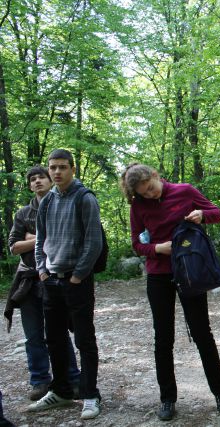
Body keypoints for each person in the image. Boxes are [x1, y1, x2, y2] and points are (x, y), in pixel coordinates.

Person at [120, 163, 220, 421]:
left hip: (190, 271)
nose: (150, 195)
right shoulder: (138, 206)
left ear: (156, 176)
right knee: (163, 338)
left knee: (202, 332)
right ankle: (167, 398)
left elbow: (217, 212)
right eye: (143, 193)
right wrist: (158, 249)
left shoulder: (185, 191)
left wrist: (202, 216)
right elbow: (136, 244)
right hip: (158, 275)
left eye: (150, 188)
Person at [30, 149, 103, 420]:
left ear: (73, 168)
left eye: (62, 167)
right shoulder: (47, 200)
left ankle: (90, 395)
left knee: (84, 339)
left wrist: (78, 275)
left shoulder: (84, 198)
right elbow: (40, 239)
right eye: (53, 167)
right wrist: (42, 269)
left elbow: (93, 241)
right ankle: (60, 390)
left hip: (77, 280)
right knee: (55, 339)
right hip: (51, 280)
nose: (57, 172)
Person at [3, 166, 80, 402]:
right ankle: (40, 381)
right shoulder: (24, 213)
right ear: (29, 185)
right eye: (32, 179)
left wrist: (32, 238)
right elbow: (14, 247)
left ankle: (71, 379)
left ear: (50, 180)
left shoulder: (65, 204)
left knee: (58, 332)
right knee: (33, 335)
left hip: (56, 277)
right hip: (28, 280)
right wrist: (41, 238)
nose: (37, 182)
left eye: (41, 178)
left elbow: (69, 238)